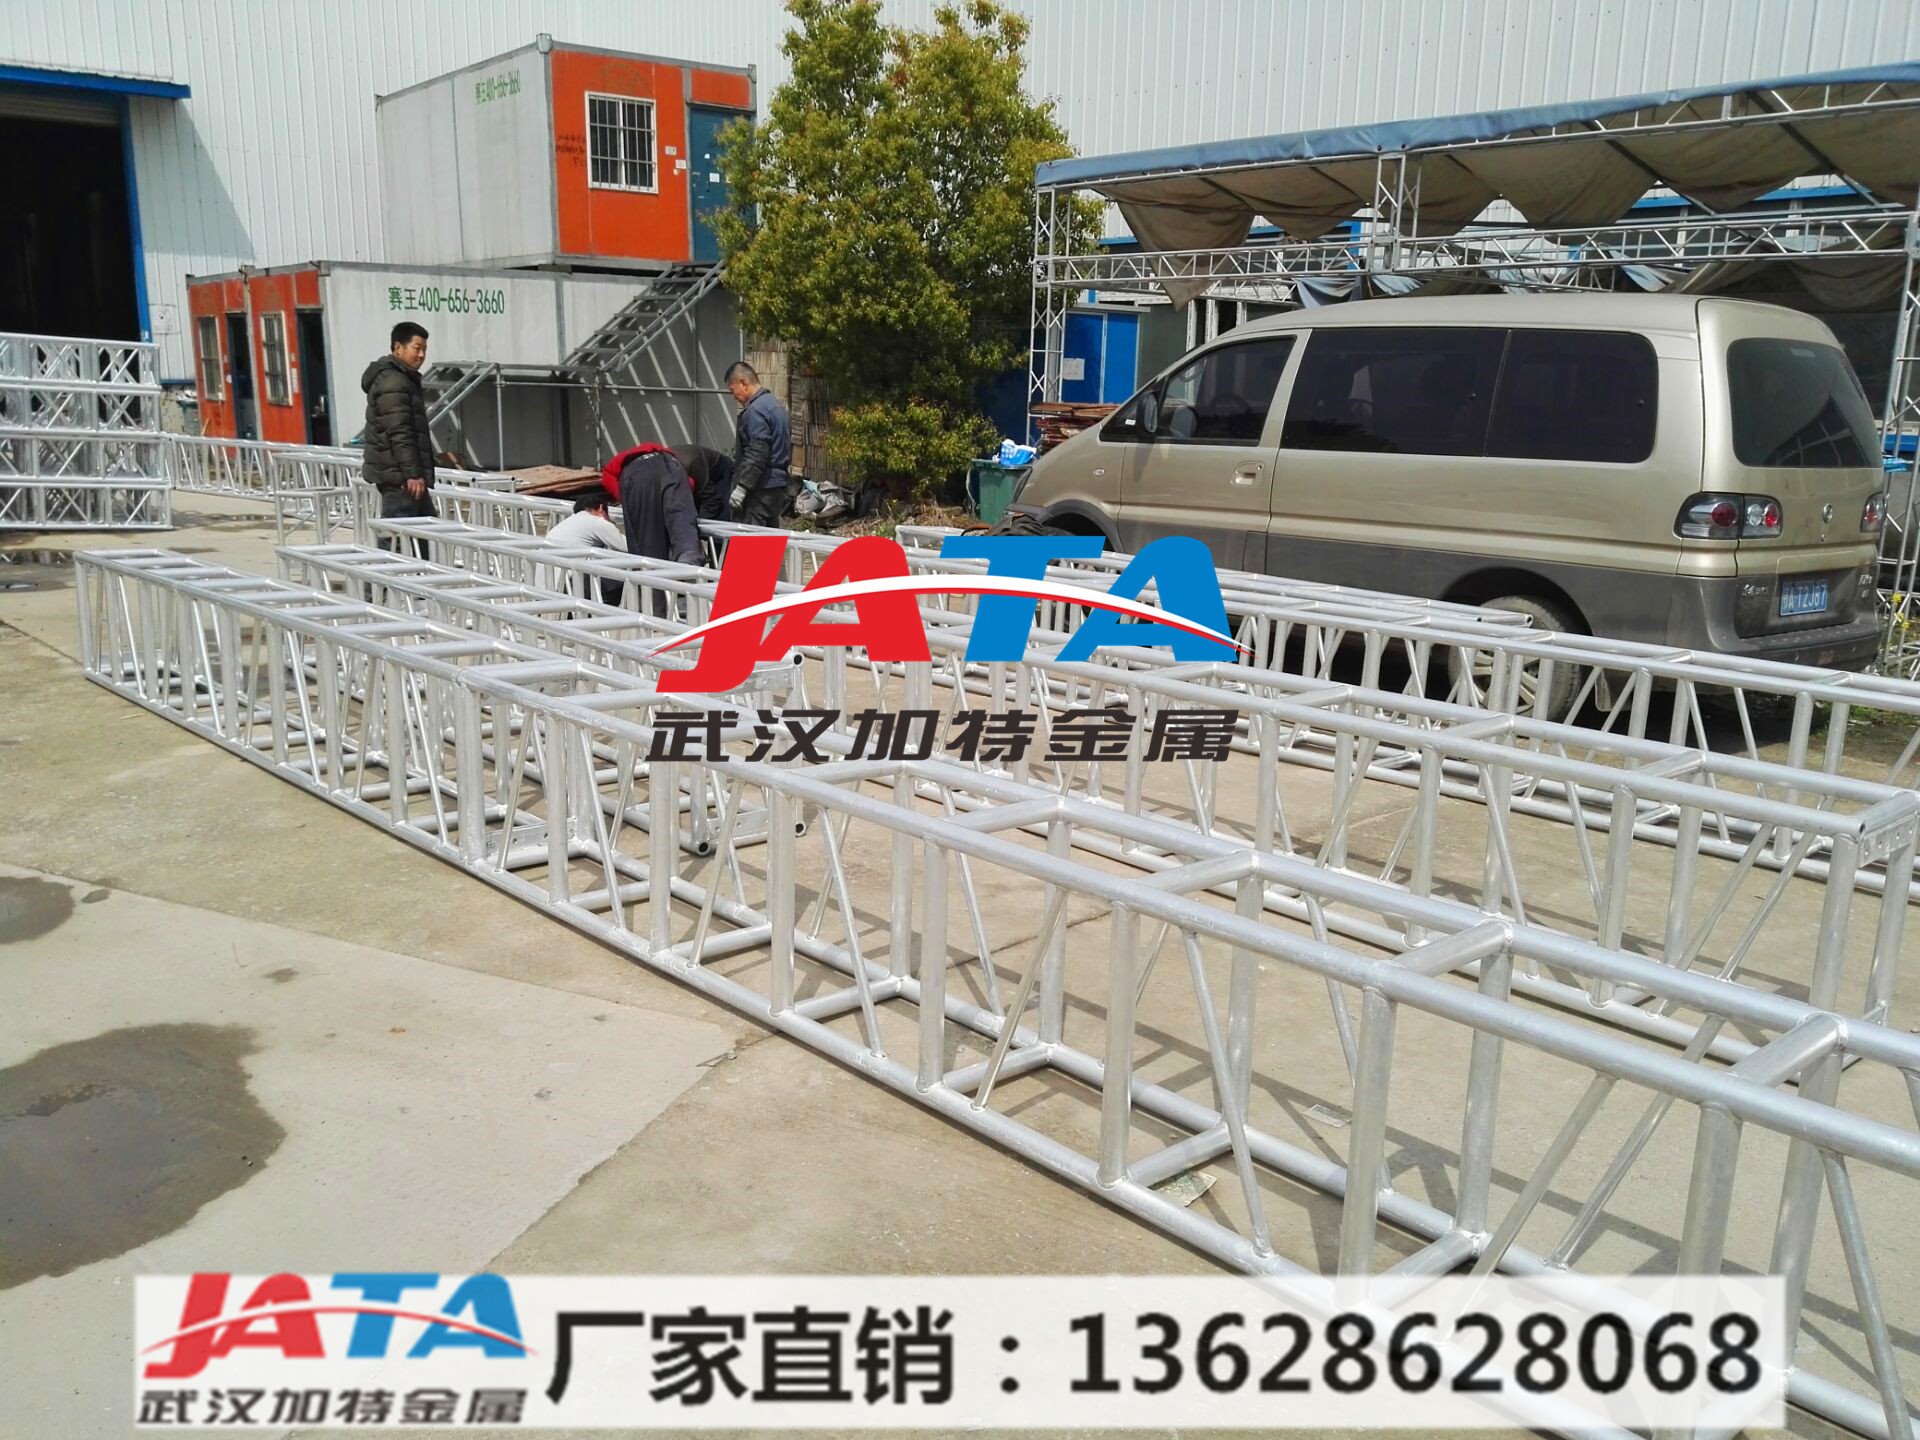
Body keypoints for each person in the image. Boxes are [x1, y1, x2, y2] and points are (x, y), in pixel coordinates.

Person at [601, 443, 701, 615]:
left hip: (637, 474)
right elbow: (686, 491)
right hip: (672, 468)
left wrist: (630, 502)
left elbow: (608, 480)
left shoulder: (619, 465)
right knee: (683, 523)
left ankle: (655, 612)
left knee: (648, 549)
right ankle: (688, 559)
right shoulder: (673, 460)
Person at [361, 322, 435, 552]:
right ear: (398, 347)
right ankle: (383, 576)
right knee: (395, 538)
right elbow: (400, 431)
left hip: (403, 475)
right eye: (417, 348)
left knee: (425, 532)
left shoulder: (402, 378)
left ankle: (420, 572)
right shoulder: (394, 381)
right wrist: (413, 474)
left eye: (424, 349)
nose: (421, 355)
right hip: (400, 478)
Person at [724, 361, 791, 528]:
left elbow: (757, 451)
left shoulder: (755, 411)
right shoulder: (776, 406)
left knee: (751, 538)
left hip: (758, 488)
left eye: (733, 390)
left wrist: (742, 487)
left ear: (743, 383)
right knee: (770, 537)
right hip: (777, 486)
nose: (734, 397)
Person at [546, 494, 628, 606]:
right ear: (601, 509)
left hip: (547, 587)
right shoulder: (596, 522)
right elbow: (628, 547)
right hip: (568, 587)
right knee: (627, 580)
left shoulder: (565, 523)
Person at [674, 444, 736, 524]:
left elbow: (712, 501)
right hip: (699, 474)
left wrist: (698, 525)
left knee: (722, 518)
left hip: (720, 472)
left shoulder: (692, 464)